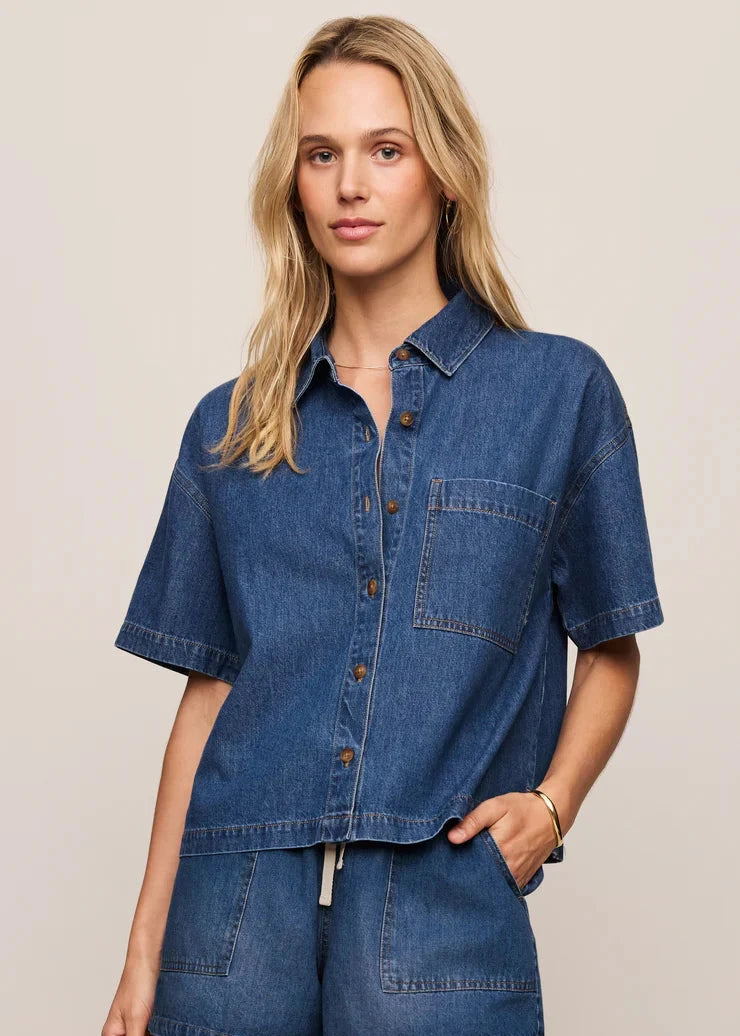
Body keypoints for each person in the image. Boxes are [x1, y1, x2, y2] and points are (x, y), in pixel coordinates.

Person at [102, 15, 664, 1036]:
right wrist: (142, 959)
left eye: (384, 150)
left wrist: (551, 806)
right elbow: (208, 693)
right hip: (229, 933)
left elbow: (611, 645)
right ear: (294, 183)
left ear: (442, 173)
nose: (348, 185)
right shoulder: (232, 425)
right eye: (321, 154)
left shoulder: (556, 392)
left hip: (439, 935)